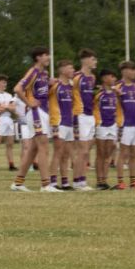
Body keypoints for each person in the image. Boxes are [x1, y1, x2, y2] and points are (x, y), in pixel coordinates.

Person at [10, 47, 58, 192]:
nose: (48, 57)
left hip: (43, 111)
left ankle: (18, 183)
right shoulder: (34, 72)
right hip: (36, 112)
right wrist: (29, 103)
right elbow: (18, 88)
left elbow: (40, 90)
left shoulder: (43, 74)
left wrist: (50, 83)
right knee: (44, 146)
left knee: (32, 150)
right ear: (38, 58)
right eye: (45, 55)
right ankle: (46, 184)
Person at [47, 59, 77, 190]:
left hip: (69, 123)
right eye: (70, 68)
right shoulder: (55, 86)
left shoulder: (71, 87)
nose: (73, 71)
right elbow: (42, 97)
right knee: (57, 152)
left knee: (66, 154)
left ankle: (65, 182)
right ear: (63, 70)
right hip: (59, 123)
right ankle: (52, 182)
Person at [71, 49, 98, 189]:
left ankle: (81, 180)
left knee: (86, 151)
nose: (95, 62)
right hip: (79, 115)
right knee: (81, 150)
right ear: (85, 60)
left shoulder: (92, 78)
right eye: (93, 59)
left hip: (90, 115)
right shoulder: (76, 77)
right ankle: (77, 181)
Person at [115, 61, 135, 189]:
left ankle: (133, 181)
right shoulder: (118, 86)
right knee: (123, 153)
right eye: (132, 70)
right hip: (124, 124)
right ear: (125, 71)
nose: (134, 72)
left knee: (134, 153)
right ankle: (120, 181)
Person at [93, 68, 119, 190]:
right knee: (101, 153)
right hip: (102, 125)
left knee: (109, 153)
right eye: (111, 76)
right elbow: (94, 108)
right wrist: (98, 122)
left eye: (114, 77)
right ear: (104, 78)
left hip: (112, 125)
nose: (113, 79)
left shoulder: (115, 94)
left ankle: (105, 180)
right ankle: (99, 181)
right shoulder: (99, 94)